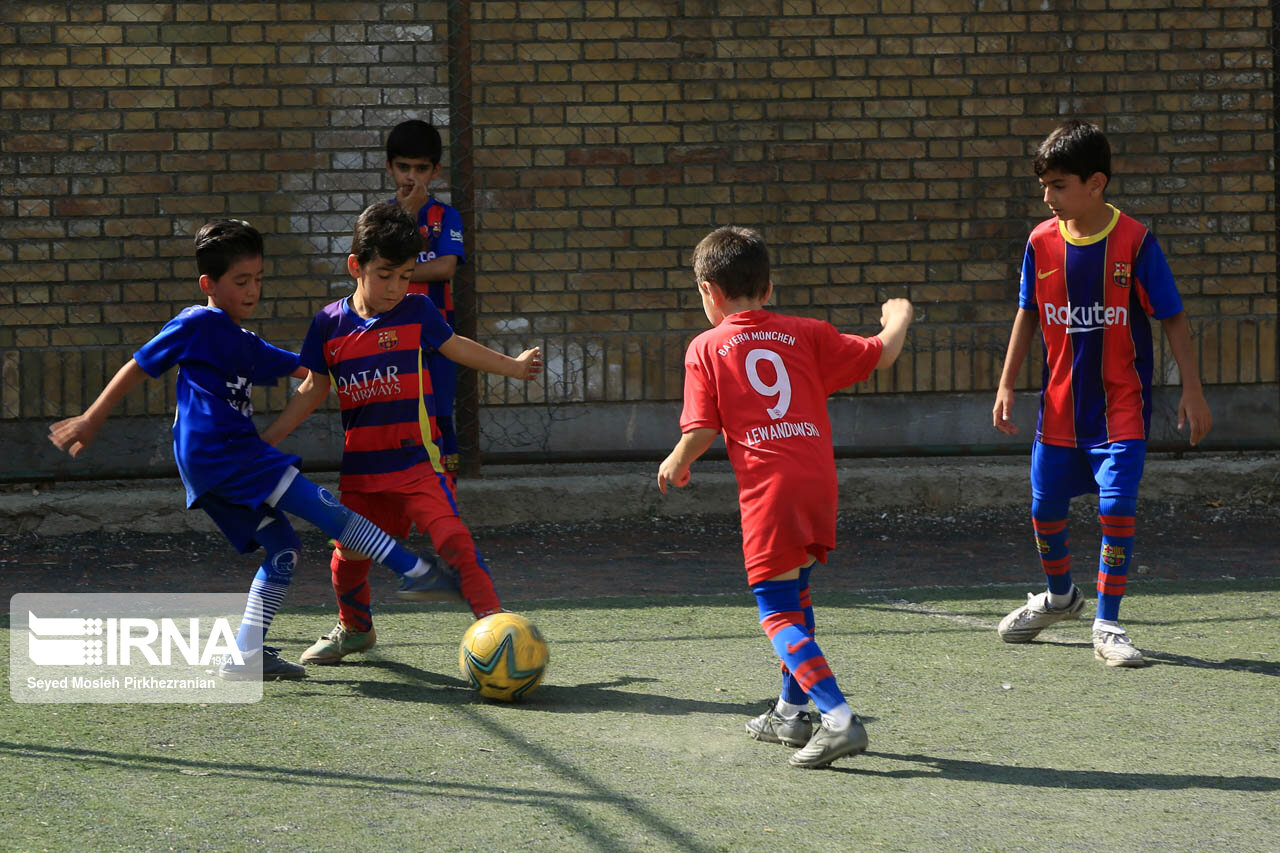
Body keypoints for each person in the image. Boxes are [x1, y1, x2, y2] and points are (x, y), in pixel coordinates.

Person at [47, 219, 458, 681]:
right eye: (241, 281)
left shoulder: (247, 343)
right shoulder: (197, 323)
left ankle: (245, 655)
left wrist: (362, 359)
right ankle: (413, 569)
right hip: (224, 452)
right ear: (210, 284)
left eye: (258, 280)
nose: (252, 290)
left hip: (211, 469)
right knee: (329, 511)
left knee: (282, 548)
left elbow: (308, 372)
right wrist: (92, 417)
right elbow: (138, 366)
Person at [656, 226, 913, 769]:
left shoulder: (705, 346)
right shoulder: (805, 333)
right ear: (768, 288)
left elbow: (701, 428)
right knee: (796, 594)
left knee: (775, 612)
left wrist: (677, 461)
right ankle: (791, 712)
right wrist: (898, 318)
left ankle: (838, 717)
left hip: (770, 490)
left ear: (708, 291)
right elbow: (880, 355)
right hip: (818, 478)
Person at [260, 202, 542, 665]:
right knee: (347, 555)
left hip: (417, 465)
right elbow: (312, 389)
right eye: (385, 274)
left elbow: (455, 346)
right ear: (356, 267)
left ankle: (496, 628)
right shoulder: (328, 324)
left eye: (405, 275)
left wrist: (511, 367)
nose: (396, 287)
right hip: (363, 472)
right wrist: (264, 442)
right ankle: (355, 628)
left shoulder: (417, 311)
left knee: (452, 540)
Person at [992, 119, 1212, 667]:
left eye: (1059, 185)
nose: (1048, 197)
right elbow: (1026, 312)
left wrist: (1193, 390)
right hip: (1059, 410)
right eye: (1043, 185)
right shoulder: (1040, 243)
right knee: (1044, 511)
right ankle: (1060, 596)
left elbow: (1174, 319)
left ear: (1096, 183)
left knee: (1117, 508)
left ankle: (1107, 624)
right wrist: (1005, 382)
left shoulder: (1135, 241)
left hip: (1120, 411)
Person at [386, 119, 466, 484]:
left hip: (437, 335)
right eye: (403, 167)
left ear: (436, 171)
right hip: (389, 333)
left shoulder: (446, 216)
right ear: (390, 168)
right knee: (394, 415)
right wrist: (405, 217)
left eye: (421, 169)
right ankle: (399, 487)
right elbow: (374, 270)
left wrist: (395, 270)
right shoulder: (381, 218)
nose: (411, 178)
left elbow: (445, 267)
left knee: (441, 414)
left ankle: (445, 492)